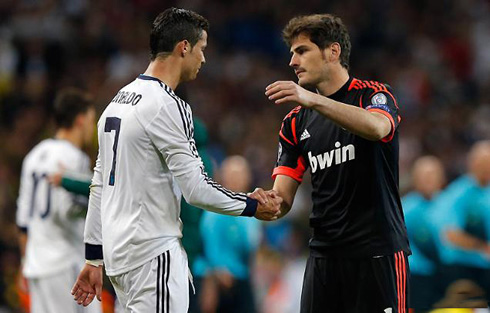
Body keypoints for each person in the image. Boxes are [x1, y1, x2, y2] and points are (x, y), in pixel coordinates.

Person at [71, 8, 281, 313]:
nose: (204, 59)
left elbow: (98, 185)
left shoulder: (116, 102)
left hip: (119, 260)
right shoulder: (168, 105)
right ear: (185, 47)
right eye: (202, 49)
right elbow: (196, 189)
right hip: (153, 256)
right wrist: (250, 205)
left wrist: (93, 257)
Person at [264, 14, 411, 313]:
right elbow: (282, 201)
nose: (292, 61)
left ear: (333, 52)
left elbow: (377, 128)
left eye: (302, 50)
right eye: (292, 52)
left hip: (377, 254)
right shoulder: (294, 122)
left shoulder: (373, 94)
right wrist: (254, 202)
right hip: (325, 260)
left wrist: (314, 101)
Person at [16, 88, 101, 313]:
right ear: (81, 120)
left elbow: (23, 221)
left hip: (36, 263)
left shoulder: (34, 155)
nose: (91, 129)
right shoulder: (74, 158)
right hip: (64, 261)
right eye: (92, 121)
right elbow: (67, 209)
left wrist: (26, 261)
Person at [198, 156, 261, 313]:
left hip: (241, 278)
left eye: (240, 174)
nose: (235, 179)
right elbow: (207, 243)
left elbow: (251, 244)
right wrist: (218, 269)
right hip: (215, 278)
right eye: (231, 174)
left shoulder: (253, 211)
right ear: (223, 177)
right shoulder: (214, 209)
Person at [429, 141, 490, 297]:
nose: (486, 167)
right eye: (482, 163)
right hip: (462, 267)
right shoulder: (457, 194)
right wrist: (482, 247)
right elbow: (449, 234)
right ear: (472, 163)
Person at [402, 156, 446, 310]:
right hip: (418, 276)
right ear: (415, 179)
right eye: (424, 176)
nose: (428, 180)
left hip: (446, 273)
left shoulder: (448, 204)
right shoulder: (406, 208)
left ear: (441, 178)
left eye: (432, 175)